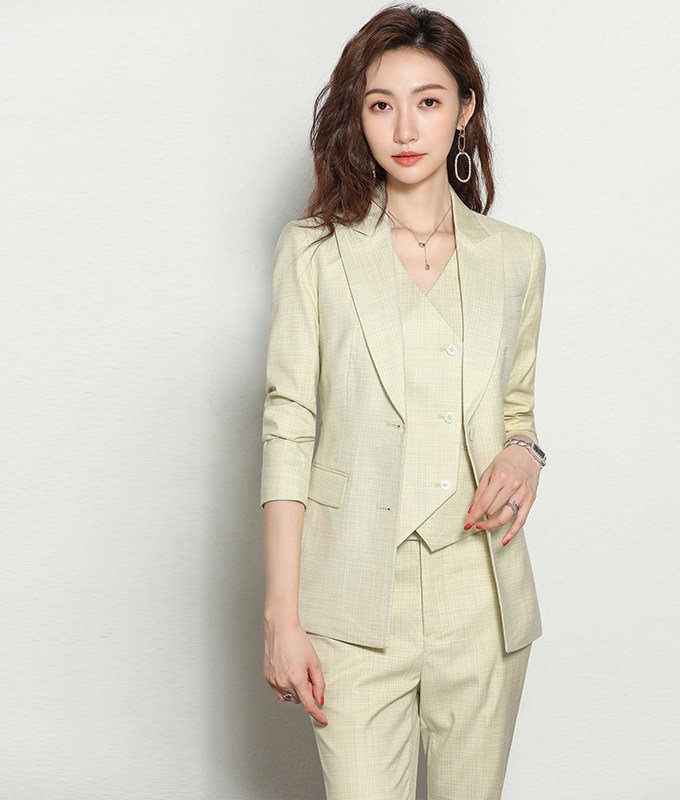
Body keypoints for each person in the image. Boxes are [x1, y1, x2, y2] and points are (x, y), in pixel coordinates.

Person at [261, 4, 548, 798]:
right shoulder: (314, 252)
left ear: (465, 109)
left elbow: (517, 412)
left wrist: (527, 454)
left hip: (481, 596)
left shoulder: (517, 258)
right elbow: (288, 428)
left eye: (428, 101)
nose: (406, 127)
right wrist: (282, 616)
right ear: (358, 117)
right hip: (353, 598)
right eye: (381, 104)